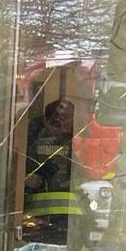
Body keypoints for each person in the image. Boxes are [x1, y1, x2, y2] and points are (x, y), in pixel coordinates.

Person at [23, 98, 78, 243]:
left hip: (71, 219)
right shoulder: (28, 140)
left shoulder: (80, 142)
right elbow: (13, 171)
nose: (62, 126)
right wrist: (25, 179)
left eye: (67, 120)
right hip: (33, 217)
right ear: (46, 121)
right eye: (56, 121)